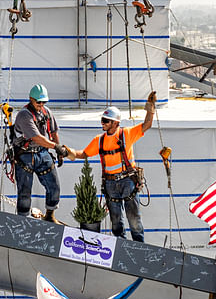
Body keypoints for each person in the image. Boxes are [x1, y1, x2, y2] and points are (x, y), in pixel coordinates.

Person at [69, 92, 157, 242]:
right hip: (110, 184)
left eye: (106, 121)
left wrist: (150, 107)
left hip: (128, 181)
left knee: (133, 219)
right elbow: (84, 154)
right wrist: (67, 151)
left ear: (116, 123)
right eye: (102, 120)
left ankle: (140, 247)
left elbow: (147, 124)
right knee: (116, 221)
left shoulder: (127, 134)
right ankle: (120, 246)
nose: (102, 123)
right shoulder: (99, 140)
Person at [11, 84, 69, 222]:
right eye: (38, 102)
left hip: (42, 153)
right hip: (25, 156)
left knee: (54, 186)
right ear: (31, 99)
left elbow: (53, 132)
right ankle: (22, 220)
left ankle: (50, 215)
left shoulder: (46, 112)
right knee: (25, 192)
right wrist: (56, 147)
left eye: (44, 102)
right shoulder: (24, 115)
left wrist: (59, 150)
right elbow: (37, 138)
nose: (41, 104)